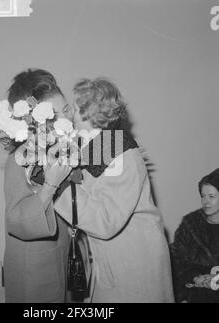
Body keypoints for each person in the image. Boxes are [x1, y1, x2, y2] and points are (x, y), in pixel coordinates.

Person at [54, 78, 174, 303]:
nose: (70, 114)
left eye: (76, 107)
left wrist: (57, 188)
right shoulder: (95, 148)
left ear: (90, 112)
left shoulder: (121, 151)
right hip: (114, 260)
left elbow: (105, 221)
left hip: (134, 261)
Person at [3, 69, 73, 303]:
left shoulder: (62, 149)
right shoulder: (19, 159)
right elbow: (18, 221)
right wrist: (50, 185)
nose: (67, 120)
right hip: (33, 271)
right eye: (54, 117)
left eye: (66, 110)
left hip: (63, 258)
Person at [171, 168, 219, 303]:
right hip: (193, 293)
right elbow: (176, 262)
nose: (205, 201)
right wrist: (196, 277)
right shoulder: (189, 224)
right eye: (203, 196)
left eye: (211, 197)